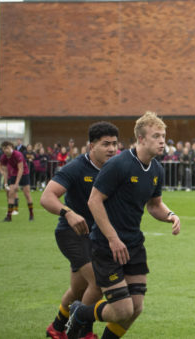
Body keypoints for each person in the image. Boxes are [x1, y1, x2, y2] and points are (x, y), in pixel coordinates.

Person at [65, 112, 181, 339]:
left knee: (136, 308)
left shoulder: (157, 169)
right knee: (122, 309)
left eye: (163, 136)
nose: (161, 141)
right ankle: (80, 313)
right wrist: (112, 238)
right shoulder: (119, 164)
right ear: (141, 138)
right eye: (156, 136)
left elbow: (155, 205)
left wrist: (171, 215)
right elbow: (94, 201)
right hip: (107, 246)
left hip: (134, 245)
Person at [41, 122, 120, 339]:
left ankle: (56, 328)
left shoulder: (116, 167)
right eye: (106, 144)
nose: (112, 149)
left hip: (95, 236)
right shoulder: (76, 168)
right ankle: (82, 332)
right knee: (98, 282)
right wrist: (68, 212)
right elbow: (46, 197)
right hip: (71, 234)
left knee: (78, 290)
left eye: (114, 144)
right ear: (91, 146)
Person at [0, 140, 34, 221]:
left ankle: (31, 215)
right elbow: (5, 171)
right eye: (4, 148)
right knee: (11, 193)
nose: (6, 150)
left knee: (27, 194)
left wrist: (16, 184)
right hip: (14, 174)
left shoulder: (17, 154)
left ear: (11, 147)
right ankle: (9, 217)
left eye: (7, 148)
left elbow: (21, 169)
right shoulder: (3, 157)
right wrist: (5, 183)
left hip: (24, 173)